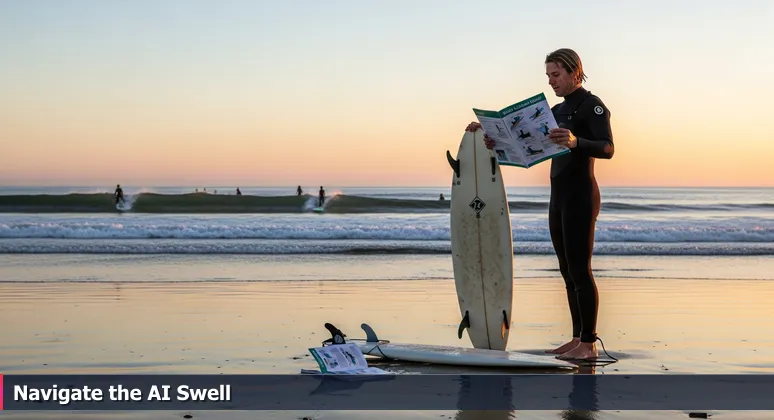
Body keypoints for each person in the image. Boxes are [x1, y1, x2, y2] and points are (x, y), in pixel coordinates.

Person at [468, 48, 614, 361]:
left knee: (581, 270)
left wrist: (575, 142)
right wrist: (492, 138)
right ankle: (577, 338)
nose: (551, 81)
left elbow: (607, 147)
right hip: (558, 196)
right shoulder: (556, 110)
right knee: (566, 270)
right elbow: (527, 147)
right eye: (548, 75)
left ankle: (589, 344)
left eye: (556, 74)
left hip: (580, 196)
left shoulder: (592, 106)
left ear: (575, 72)